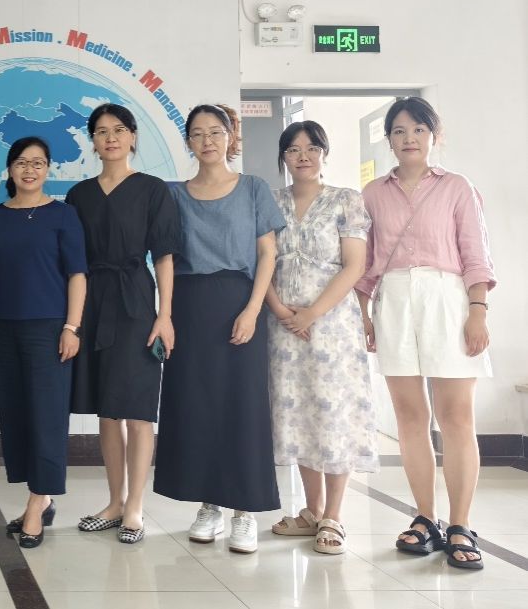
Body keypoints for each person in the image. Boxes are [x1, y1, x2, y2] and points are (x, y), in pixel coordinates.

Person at [355, 97, 494, 571]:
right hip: (393, 300)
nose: (408, 138)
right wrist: (364, 314)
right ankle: (426, 518)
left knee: (456, 417)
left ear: (434, 135)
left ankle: (461, 524)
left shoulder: (457, 187)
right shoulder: (373, 193)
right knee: (410, 417)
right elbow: (366, 263)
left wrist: (477, 311)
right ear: (389, 140)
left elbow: (476, 255)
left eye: (418, 129)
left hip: (447, 299)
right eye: (399, 131)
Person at [153, 104, 284, 555]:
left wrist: (253, 310)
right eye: (197, 133)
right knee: (197, 405)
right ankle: (208, 504)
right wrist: (166, 314)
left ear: (230, 137)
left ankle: (244, 511)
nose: (207, 140)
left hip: (239, 302)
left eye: (215, 132)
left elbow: (267, 254)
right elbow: (165, 257)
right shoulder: (173, 194)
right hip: (189, 306)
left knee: (242, 405)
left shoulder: (252, 188)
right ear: (188, 141)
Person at [66, 104, 179, 545]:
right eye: (101, 131)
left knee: (138, 409)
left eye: (118, 130)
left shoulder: (152, 189)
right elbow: (71, 263)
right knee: (108, 410)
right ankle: (114, 502)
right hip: (93, 302)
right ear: (92, 142)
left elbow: (164, 256)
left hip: (136, 303)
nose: (110, 138)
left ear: (132, 137)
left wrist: (164, 316)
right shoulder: (79, 195)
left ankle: (135, 506)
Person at [264, 121, 377, 556]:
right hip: (284, 326)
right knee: (299, 414)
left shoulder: (346, 200)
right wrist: (280, 309)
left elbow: (354, 265)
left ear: (324, 154)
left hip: (332, 326)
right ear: (284, 157)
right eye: (293, 150)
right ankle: (311, 511)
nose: (303, 156)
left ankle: (334, 514)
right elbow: (261, 261)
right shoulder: (271, 202)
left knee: (334, 413)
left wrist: (312, 312)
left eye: (312, 148)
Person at [0, 136, 87, 550]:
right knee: (17, 414)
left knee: (47, 416)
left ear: (48, 169)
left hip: (49, 329)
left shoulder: (63, 215)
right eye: (22, 162)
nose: (30, 169)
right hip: (4, 327)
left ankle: (38, 502)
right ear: (9, 169)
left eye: (38, 163)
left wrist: (71, 327)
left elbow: (77, 275)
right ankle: (40, 496)